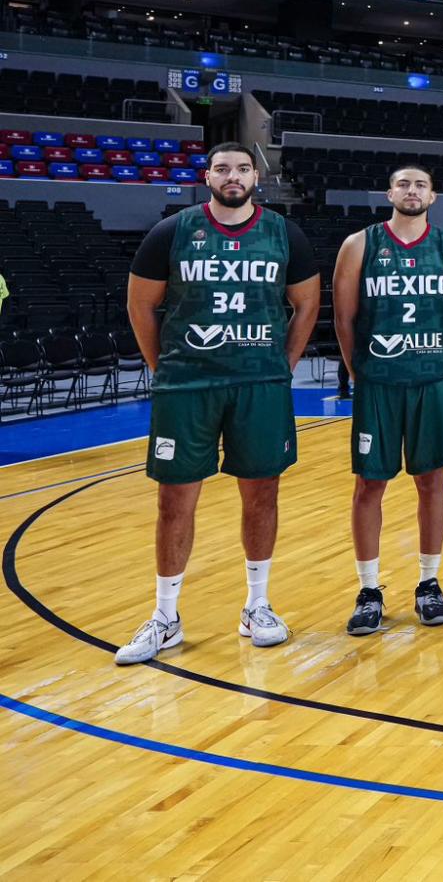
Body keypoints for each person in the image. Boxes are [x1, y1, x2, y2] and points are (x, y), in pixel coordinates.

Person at [115, 143, 321, 664]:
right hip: (188, 386)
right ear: (207, 176)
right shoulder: (173, 231)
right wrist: (164, 367)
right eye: (223, 168)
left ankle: (257, 605)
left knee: (263, 496)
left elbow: (307, 303)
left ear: (257, 176)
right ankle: (166, 617)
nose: (233, 176)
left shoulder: (283, 234)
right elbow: (141, 304)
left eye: (243, 168)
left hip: (259, 386)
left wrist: (283, 364)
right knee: (174, 502)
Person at [330, 164, 443, 635]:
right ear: (390, 192)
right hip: (378, 383)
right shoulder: (360, 244)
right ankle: (369, 589)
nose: (412, 191)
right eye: (404, 184)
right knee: (370, 485)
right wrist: (359, 370)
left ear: (434, 195)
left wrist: (422, 357)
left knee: (432, 481)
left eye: (421, 184)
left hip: (429, 381)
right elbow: (344, 318)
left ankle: (429, 583)